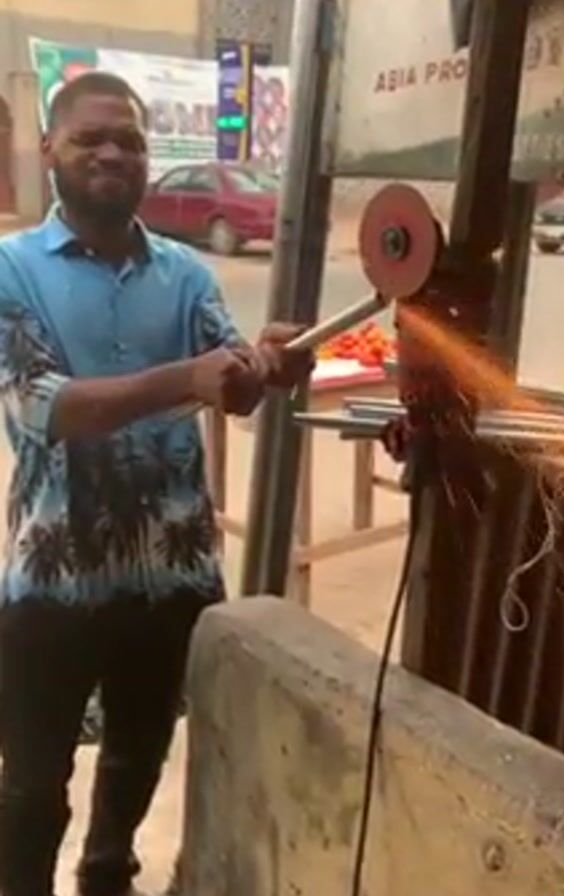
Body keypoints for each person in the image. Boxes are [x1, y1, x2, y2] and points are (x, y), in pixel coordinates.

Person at [0, 72, 312, 896]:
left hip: (170, 578)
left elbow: (230, 387)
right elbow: (44, 407)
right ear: (49, 150)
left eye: (130, 141)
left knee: (139, 754)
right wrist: (189, 376)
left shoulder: (187, 274)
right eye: (90, 138)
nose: (111, 153)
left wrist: (266, 364)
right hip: (54, 581)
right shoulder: (8, 269)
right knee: (31, 783)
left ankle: (108, 876)